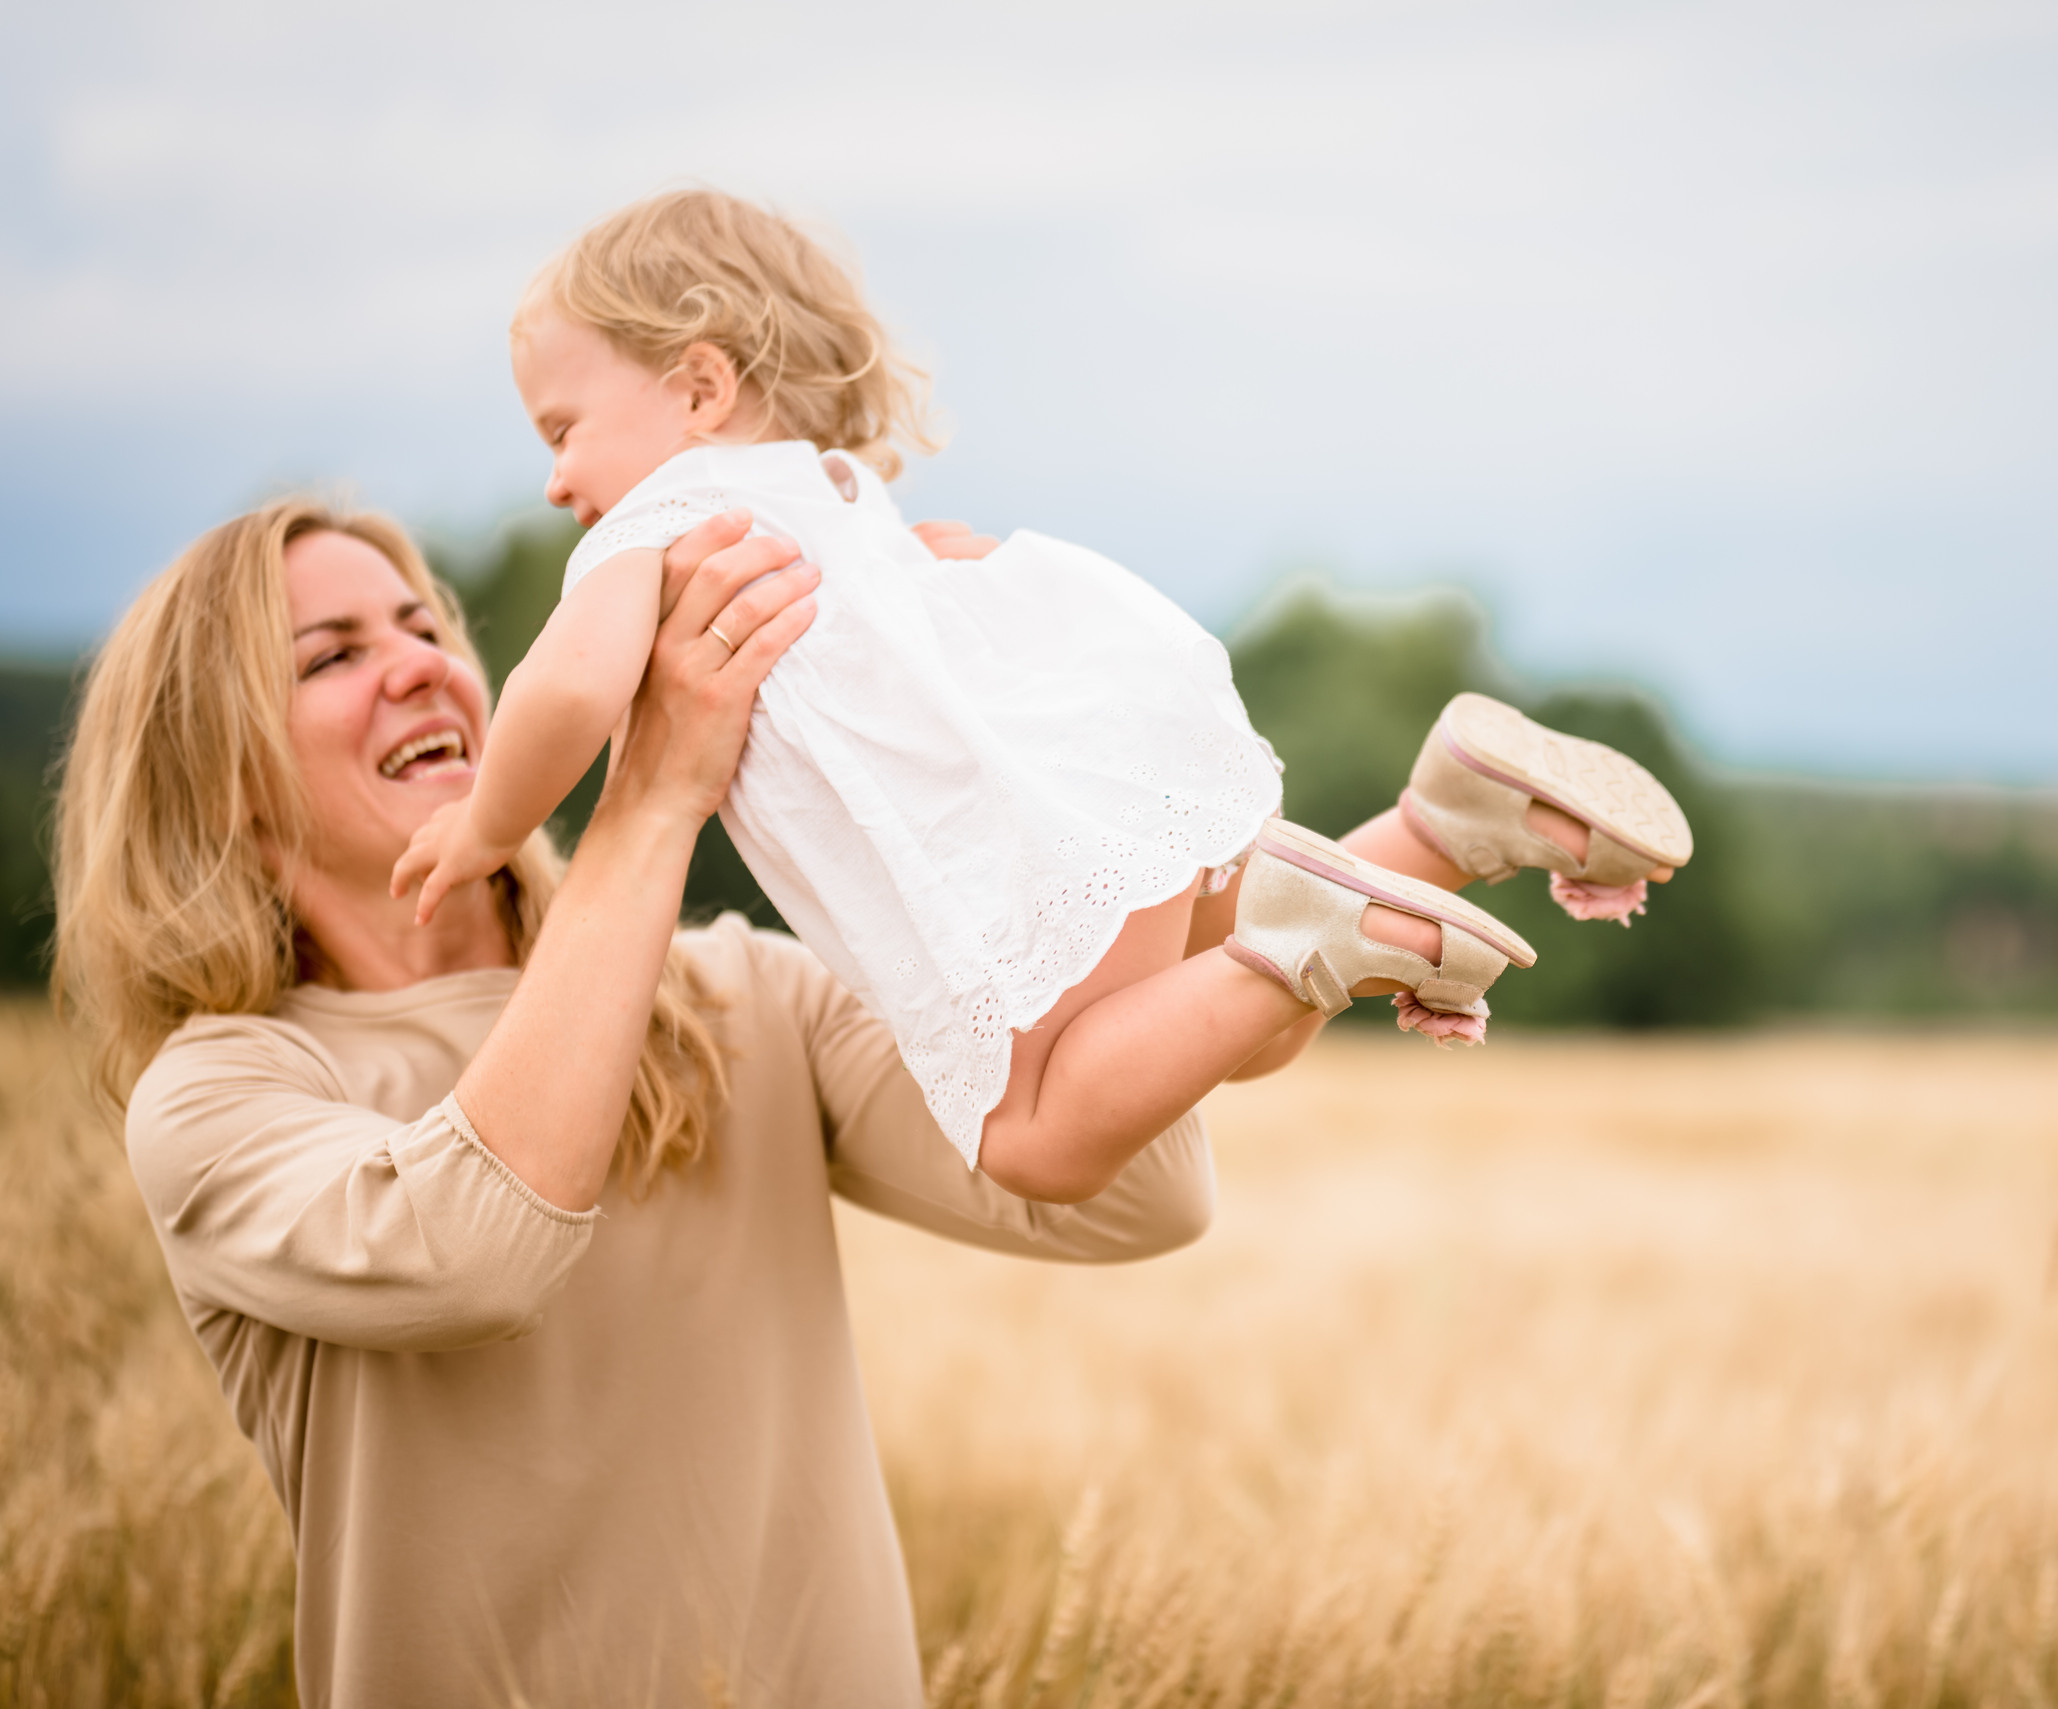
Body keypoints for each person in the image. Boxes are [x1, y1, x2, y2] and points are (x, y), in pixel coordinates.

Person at [50, 490, 1689, 1704]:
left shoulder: (735, 1003)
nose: (417, 666)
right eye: (334, 654)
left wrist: (1335, 914)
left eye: (424, 625)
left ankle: (1424, 833)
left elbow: (1128, 1184)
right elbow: (480, 1238)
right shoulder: (224, 1097)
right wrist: (658, 794)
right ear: (221, 774)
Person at [394, 188, 1692, 1199]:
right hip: (1112, 762)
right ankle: (1444, 820)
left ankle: (1327, 921)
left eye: (561, 430)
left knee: (1035, 1137)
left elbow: (563, 691)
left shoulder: (667, 519)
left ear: (697, 385)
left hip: (1017, 854)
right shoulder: (841, 498)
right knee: (1235, 1029)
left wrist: (491, 825)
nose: (557, 484)